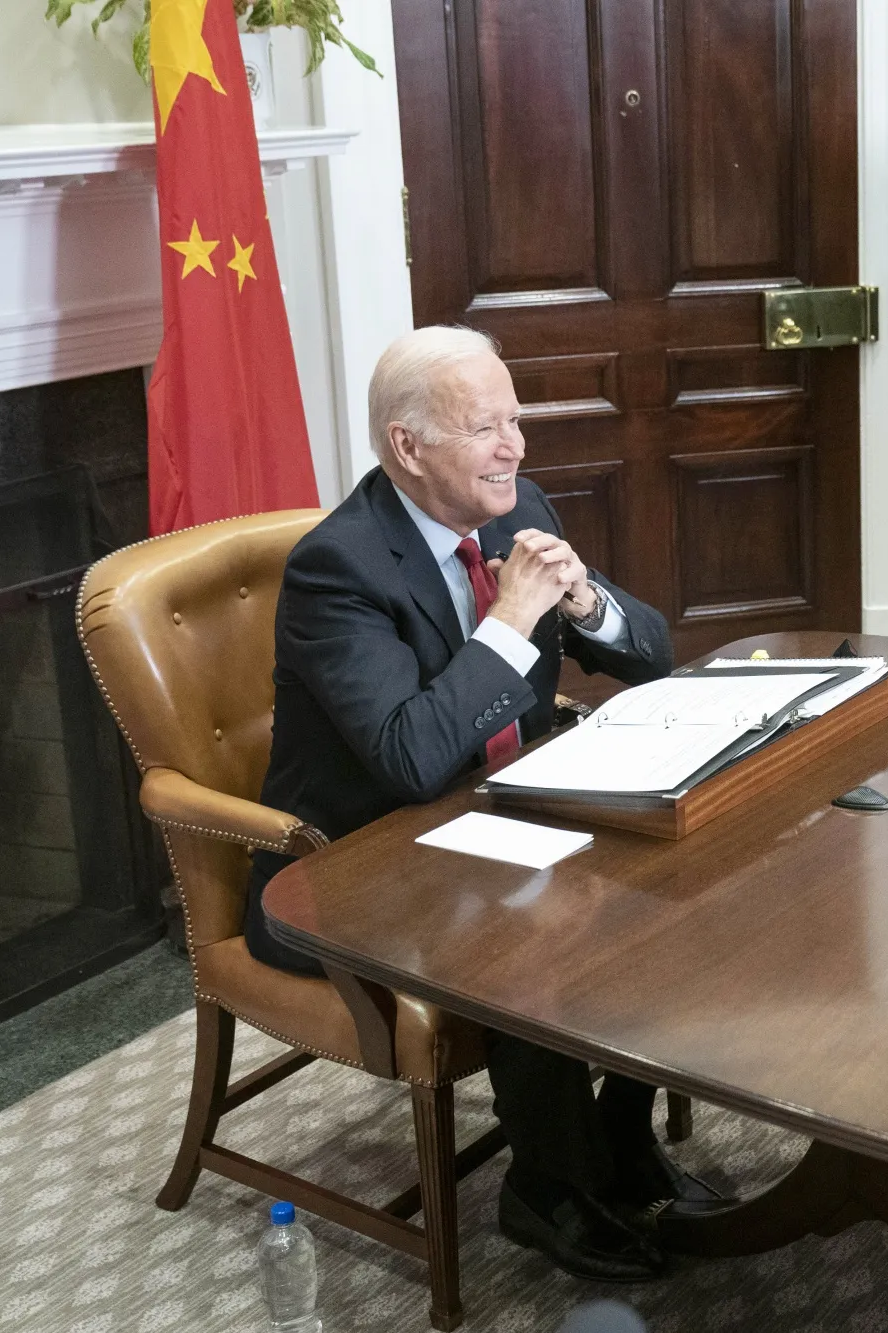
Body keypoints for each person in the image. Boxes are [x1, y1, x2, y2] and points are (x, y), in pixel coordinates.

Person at [243, 325, 717, 1284]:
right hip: (355, 863)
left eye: (515, 420)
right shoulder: (337, 570)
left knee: (675, 881)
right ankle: (548, 1185)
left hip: (499, 811)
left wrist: (583, 604)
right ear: (407, 447)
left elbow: (654, 653)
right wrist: (510, 620)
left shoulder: (514, 506)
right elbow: (413, 759)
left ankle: (622, 1145)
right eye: (485, 428)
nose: (516, 448)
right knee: (522, 925)